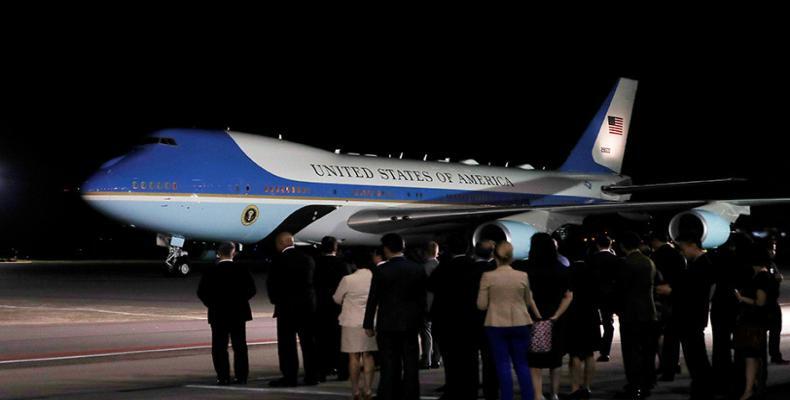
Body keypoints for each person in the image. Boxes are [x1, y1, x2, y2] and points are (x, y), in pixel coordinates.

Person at [364, 233, 427, 400]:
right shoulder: (417, 268)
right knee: (411, 362)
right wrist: (422, 320)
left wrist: (368, 323)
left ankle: (389, 393)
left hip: (388, 323)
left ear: (386, 249)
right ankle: (411, 394)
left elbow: (373, 298)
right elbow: (422, 299)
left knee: (389, 363)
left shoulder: (381, 270)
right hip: (411, 322)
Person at [516, 233, 573, 400]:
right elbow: (568, 296)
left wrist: (537, 314)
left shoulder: (526, 269)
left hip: (533, 318)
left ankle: (538, 393)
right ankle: (554, 393)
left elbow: (528, 295)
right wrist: (556, 315)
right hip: (556, 320)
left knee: (535, 361)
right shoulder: (562, 269)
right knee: (555, 359)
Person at [478, 241, 536, 400]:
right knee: (522, 365)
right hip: (520, 322)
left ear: (495, 256)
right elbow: (527, 300)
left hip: (496, 323)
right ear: (511, 256)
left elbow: (481, 305)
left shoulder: (488, 276)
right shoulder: (522, 275)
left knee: (502, 366)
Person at [429, 235, 484, 400]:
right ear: (468, 248)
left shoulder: (444, 268)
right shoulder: (475, 267)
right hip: (471, 321)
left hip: (447, 321)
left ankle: (452, 390)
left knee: (451, 359)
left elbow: (431, 286)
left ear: (450, 249)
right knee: (471, 358)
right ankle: (471, 390)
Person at [197, 241, 256, 385]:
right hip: (238, 313)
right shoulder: (241, 269)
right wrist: (240, 301)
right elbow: (252, 290)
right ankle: (241, 376)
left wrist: (212, 304)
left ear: (218, 254)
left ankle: (223, 376)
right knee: (240, 346)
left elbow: (201, 292)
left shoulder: (211, 271)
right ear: (233, 253)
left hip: (218, 313)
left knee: (219, 347)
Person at [267, 232, 319, 387]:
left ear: (281, 243)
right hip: (307, 307)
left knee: (287, 345)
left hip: (286, 308)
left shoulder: (278, 260)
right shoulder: (307, 259)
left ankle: (290, 376)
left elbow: (272, 285)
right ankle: (312, 376)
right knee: (309, 343)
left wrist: (276, 301)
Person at [614, 232, 658, 400]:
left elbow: (621, 290)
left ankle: (634, 386)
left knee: (631, 352)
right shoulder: (649, 261)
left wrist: (617, 308)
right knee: (647, 350)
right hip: (648, 310)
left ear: (624, 246)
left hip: (631, 313)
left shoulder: (626, 264)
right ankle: (648, 381)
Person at [334, 250, 379, 400]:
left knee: (353, 357)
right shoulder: (375, 276)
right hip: (370, 321)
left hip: (351, 321)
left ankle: (355, 390)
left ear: (354, 263)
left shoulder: (348, 279)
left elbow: (337, 298)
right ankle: (368, 389)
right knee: (368, 355)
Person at [734, 246, 776, 400]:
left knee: (751, 356)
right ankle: (755, 386)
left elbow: (760, 302)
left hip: (754, 321)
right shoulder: (765, 275)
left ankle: (749, 389)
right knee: (756, 356)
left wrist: (741, 298)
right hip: (759, 321)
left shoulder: (761, 278)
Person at [675, 235, 715, 399]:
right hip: (695, 316)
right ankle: (701, 385)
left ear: (692, 245)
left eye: (682, 248)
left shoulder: (702, 264)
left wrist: (674, 291)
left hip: (693, 316)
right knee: (695, 354)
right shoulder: (702, 263)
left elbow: (696, 292)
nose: (682, 252)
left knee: (695, 354)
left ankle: (702, 387)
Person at [647, 231, 687, 381]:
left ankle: (665, 367)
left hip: (660, 300)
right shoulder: (678, 255)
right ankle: (672, 365)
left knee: (660, 336)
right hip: (675, 299)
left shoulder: (656, 256)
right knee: (672, 337)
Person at [565, 235, 600, 399]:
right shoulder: (592, 271)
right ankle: (587, 386)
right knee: (589, 353)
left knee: (575, 354)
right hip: (590, 313)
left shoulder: (568, 272)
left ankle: (575, 387)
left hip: (573, 314)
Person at [314, 236, 352, 382]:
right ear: (335, 248)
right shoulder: (343, 265)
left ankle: (322, 371)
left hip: (320, 306)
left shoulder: (316, 263)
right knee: (339, 340)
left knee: (321, 340)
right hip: (338, 307)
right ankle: (343, 370)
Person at [586, 234, 621, 362]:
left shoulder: (592, 259)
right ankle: (605, 351)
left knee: (593, 322)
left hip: (594, 295)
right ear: (610, 245)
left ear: (597, 245)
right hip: (610, 295)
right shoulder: (616, 259)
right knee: (608, 323)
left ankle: (592, 346)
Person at [474, 239, 500, 400]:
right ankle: (492, 391)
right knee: (491, 359)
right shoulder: (497, 270)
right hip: (493, 319)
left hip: (472, 319)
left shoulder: (469, 269)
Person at [764, 239, 788, 365]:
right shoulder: (765, 263)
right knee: (772, 329)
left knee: (775, 330)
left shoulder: (771, 263)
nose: (774, 251)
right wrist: (776, 279)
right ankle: (773, 356)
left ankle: (775, 355)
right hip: (767, 301)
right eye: (772, 249)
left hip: (772, 300)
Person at [419, 241, 441, 370]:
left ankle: (426, 359)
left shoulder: (423, 268)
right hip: (438, 305)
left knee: (426, 333)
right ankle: (436, 359)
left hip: (426, 304)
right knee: (437, 333)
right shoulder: (440, 266)